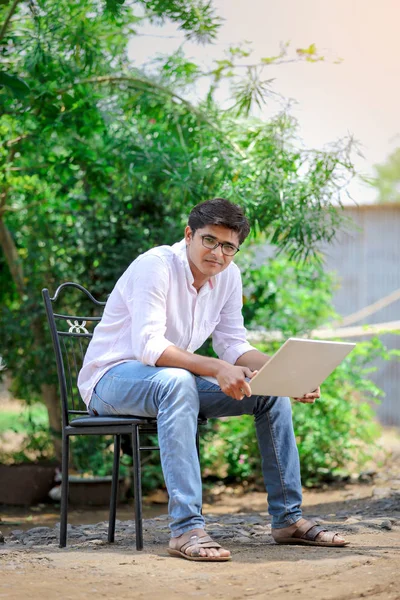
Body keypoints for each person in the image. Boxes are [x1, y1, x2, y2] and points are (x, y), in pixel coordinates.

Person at [78, 197, 349, 561]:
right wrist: (216, 368)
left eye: (228, 247)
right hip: (111, 381)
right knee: (177, 381)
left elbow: (233, 344)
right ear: (189, 234)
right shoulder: (154, 267)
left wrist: (287, 372)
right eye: (209, 240)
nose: (217, 254)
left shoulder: (227, 277)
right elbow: (149, 346)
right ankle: (186, 528)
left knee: (268, 394)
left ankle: (287, 520)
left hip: (172, 383)